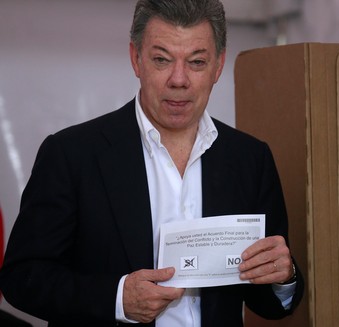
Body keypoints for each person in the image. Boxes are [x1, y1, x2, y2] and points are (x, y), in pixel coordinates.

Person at [0, 0, 303, 326]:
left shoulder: (249, 159)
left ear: (218, 65)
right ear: (136, 59)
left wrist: (282, 277)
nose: (178, 79)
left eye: (197, 62)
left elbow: (268, 301)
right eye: (162, 59)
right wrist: (117, 298)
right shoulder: (71, 154)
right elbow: (22, 278)